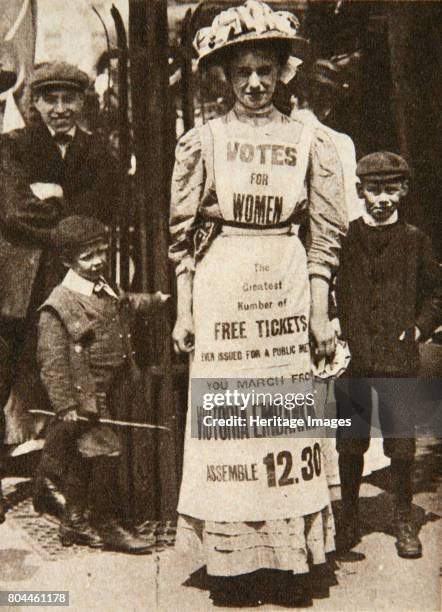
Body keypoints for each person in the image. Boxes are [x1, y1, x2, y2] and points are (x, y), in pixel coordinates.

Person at [169, 1, 347, 606]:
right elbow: (184, 237)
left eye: (264, 72)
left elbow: (323, 236)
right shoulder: (205, 141)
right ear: (225, 75)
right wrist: (185, 310)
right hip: (225, 297)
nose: (253, 84)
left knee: (283, 423)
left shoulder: (310, 141)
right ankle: (234, 566)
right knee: (232, 430)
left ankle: (288, 562)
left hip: (287, 287)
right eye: (242, 72)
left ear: (282, 72)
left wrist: (320, 313)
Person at [0, 61, 119, 518]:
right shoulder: (12, 146)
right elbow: (13, 211)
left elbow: (99, 215)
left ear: (82, 103)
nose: (61, 109)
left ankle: (63, 488)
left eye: (70, 99)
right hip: (18, 286)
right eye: (51, 99)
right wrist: (67, 216)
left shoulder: (97, 152)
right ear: (35, 104)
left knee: (71, 384)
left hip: (71, 287)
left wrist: (53, 198)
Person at [37, 215, 169, 552]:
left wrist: (155, 299)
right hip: (87, 397)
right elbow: (51, 363)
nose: (98, 261)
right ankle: (105, 523)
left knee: (91, 459)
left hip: (115, 387)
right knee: (103, 454)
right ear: (68, 261)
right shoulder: (59, 304)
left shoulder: (104, 284)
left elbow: (125, 304)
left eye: (101, 252)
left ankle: (75, 521)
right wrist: (65, 405)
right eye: (88, 256)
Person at [334, 152, 441, 558]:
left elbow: (436, 292)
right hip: (354, 358)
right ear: (360, 192)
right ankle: (348, 518)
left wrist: (418, 328)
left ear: (404, 190)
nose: (382, 199)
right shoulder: (346, 237)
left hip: (398, 362)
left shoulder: (415, 239)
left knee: (400, 444)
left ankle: (402, 519)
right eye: (374, 189)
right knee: (349, 441)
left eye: (390, 189)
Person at [290, 58, 363, 221]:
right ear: (328, 107)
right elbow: (351, 209)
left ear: (294, 98)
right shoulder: (342, 143)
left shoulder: (275, 135)